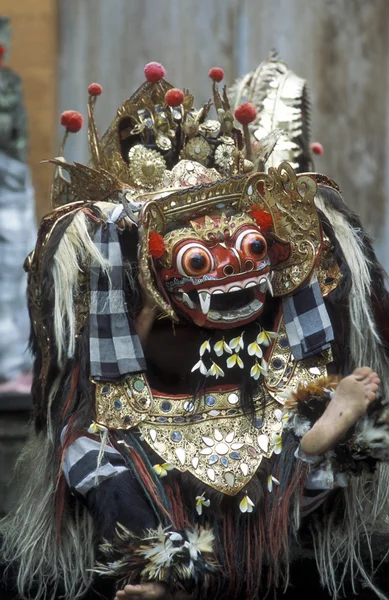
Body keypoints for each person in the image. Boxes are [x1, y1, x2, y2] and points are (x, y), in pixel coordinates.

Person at [2, 58, 389, 600]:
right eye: (198, 260)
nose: (230, 267)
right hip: (162, 434)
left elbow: (310, 352)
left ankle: (307, 454)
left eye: (250, 249)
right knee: (88, 455)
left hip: (269, 421)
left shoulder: (280, 302)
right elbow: (107, 380)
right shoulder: (138, 307)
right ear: (156, 267)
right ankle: (171, 570)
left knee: (326, 440)